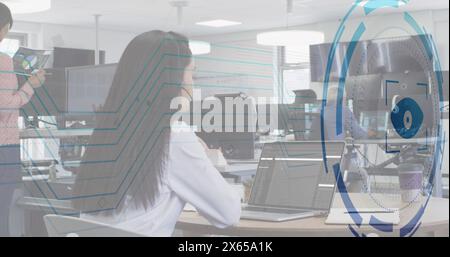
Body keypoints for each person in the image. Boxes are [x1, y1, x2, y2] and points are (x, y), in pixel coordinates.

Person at [72, 31, 241, 236]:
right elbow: (228, 214)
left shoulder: (107, 130)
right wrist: (206, 159)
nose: (192, 83)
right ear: (173, 80)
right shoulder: (174, 137)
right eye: (191, 74)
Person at [0, 2, 46, 236]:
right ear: (5, 27)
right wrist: (30, 85)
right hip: (3, 148)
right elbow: (5, 104)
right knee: (1, 213)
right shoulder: (3, 60)